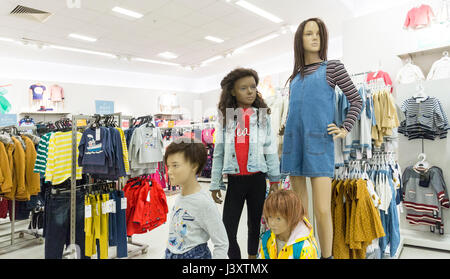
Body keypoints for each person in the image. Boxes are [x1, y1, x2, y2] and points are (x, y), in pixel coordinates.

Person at [280, 18, 363, 259]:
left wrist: (345, 128)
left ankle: (327, 256)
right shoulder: (294, 77)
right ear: (300, 39)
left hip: (319, 143)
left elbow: (357, 100)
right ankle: (307, 252)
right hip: (294, 143)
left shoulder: (333, 67)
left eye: (318, 34)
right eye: (309, 33)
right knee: (301, 210)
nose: (315, 37)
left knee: (323, 210)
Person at [210, 68, 280, 259]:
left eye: (253, 87)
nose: (250, 91)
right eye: (243, 88)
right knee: (228, 230)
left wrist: (275, 180)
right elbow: (219, 153)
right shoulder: (227, 118)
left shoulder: (262, 117)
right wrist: (215, 183)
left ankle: (252, 258)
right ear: (233, 91)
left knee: (254, 224)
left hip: (257, 179)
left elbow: (270, 149)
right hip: (235, 181)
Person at [164, 139, 228, 259]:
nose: (169, 171)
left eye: (175, 165)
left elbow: (222, 243)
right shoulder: (180, 197)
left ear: (194, 166)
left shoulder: (203, 203)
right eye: (168, 166)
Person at [258, 189, 319, 259]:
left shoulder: (304, 247)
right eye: (270, 217)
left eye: (278, 219)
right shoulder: (267, 239)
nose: (272, 223)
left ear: (292, 217)